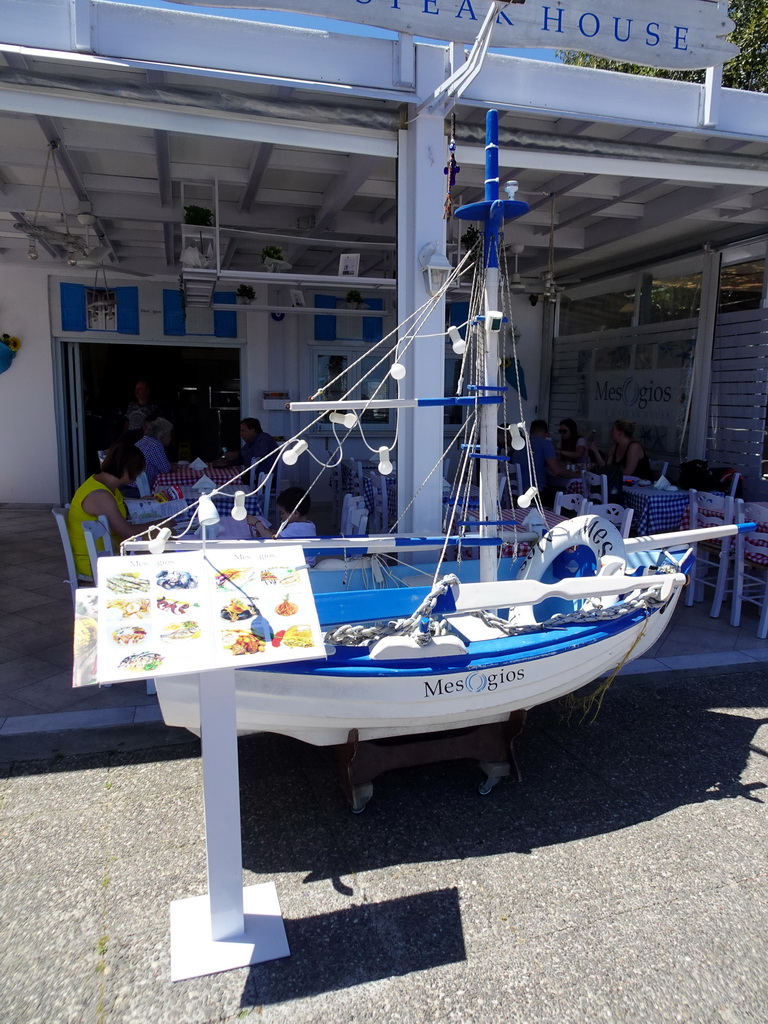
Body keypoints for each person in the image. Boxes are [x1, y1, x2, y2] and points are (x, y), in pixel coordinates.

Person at [67, 442, 148, 577]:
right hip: (97, 563)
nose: (139, 474)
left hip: (107, 554)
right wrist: (165, 523)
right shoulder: (100, 495)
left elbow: (115, 510)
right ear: (126, 468)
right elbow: (128, 533)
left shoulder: (102, 485)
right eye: (138, 469)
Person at [512, 419, 580, 505]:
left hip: (516, 492)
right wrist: (578, 476)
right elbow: (557, 471)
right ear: (545, 432)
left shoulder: (520, 444)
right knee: (564, 498)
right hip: (534, 493)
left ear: (530, 431)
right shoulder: (545, 443)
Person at [248, 487, 317, 565]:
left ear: (295, 514)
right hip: (307, 563)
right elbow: (288, 537)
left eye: (282, 513)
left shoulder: (295, 527)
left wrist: (257, 523)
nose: (281, 516)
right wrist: (276, 532)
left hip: (300, 564)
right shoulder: (309, 525)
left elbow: (271, 540)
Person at [135, 417, 173, 489]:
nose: (170, 438)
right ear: (163, 435)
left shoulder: (144, 440)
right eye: (169, 435)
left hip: (131, 484)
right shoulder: (155, 445)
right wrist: (171, 467)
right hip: (139, 489)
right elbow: (166, 470)